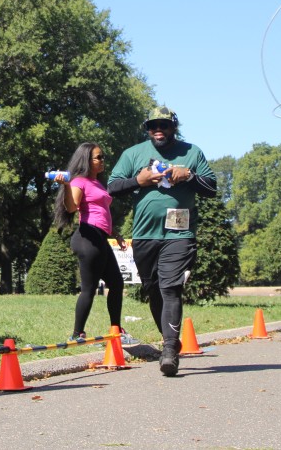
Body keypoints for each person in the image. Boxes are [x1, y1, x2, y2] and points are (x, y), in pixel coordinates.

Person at [107, 106, 218, 377]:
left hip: (179, 234)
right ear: (147, 129)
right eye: (153, 125)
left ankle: (169, 350)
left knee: (170, 287)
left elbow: (212, 188)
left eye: (164, 125)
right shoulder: (133, 154)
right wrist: (139, 180)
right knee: (154, 290)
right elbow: (112, 187)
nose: (158, 130)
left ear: (174, 127)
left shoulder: (191, 152)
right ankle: (170, 340)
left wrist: (189, 176)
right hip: (145, 235)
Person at [54, 142, 136, 345]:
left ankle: (116, 330)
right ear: (86, 160)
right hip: (87, 237)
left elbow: (102, 213)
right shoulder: (78, 181)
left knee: (116, 283)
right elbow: (71, 207)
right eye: (98, 157)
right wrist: (66, 185)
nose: (102, 160)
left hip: (100, 237)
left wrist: (116, 234)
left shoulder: (97, 183)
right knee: (89, 288)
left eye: (102, 156)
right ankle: (76, 334)